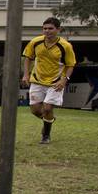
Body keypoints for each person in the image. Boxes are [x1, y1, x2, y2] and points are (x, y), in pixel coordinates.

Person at [21, 16, 76, 145]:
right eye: (45, 28)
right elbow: (28, 57)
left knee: (47, 108)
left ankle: (46, 135)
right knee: (35, 110)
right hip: (37, 79)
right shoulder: (35, 42)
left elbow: (70, 65)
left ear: (58, 29)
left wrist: (64, 80)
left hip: (55, 82)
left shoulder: (65, 46)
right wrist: (26, 74)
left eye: (50, 28)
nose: (47, 31)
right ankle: (49, 120)